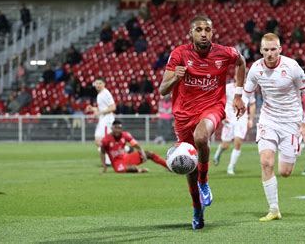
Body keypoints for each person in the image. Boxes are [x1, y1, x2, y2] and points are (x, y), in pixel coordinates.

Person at [158, 15, 246, 230]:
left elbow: (241, 62)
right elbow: (162, 91)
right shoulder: (179, 54)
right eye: (199, 29)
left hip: (212, 108)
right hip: (183, 116)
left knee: (201, 136)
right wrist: (175, 78)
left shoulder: (225, 53)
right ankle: (197, 208)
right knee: (189, 167)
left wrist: (238, 94)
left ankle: (204, 181)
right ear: (191, 33)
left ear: (212, 32)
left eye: (207, 29)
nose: (204, 33)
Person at [242, 33, 305, 221]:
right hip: (268, 119)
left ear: (280, 49)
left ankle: (292, 151)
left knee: (285, 172)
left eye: (273, 49)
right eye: (266, 50)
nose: (269, 53)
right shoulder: (256, 69)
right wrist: (240, 103)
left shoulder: (291, 66)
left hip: (292, 122)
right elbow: (247, 92)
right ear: (261, 51)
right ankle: (273, 209)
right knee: (266, 161)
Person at [213, 79, 256, 175]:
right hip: (229, 119)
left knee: (238, 143)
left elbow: (252, 104)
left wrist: (251, 119)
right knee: (226, 145)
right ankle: (220, 150)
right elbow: (219, 101)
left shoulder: (248, 89)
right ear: (236, 75)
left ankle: (231, 166)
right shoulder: (227, 88)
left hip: (242, 119)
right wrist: (222, 115)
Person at [100, 120, 168, 174]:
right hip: (117, 163)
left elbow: (136, 145)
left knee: (149, 154)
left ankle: (169, 166)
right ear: (112, 128)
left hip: (126, 158)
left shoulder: (125, 135)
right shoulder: (106, 139)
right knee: (128, 169)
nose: (117, 130)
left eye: (119, 128)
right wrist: (104, 166)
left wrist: (142, 153)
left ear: (121, 129)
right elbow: (102, 152)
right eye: (116, 128)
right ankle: (139, 170)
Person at [85, 78, 116, 166]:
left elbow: (113, 107)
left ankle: (110, 160)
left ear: (104, 84)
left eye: (100, 83)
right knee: (98, 141)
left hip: (107, 120)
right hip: (103, 119)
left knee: (102, 141)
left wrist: (100, 112)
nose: (98, 85)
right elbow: (102, 109)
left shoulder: (106, 93)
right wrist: (93, 109)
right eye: (96, 83)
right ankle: (111, 158)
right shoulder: (100, 95)